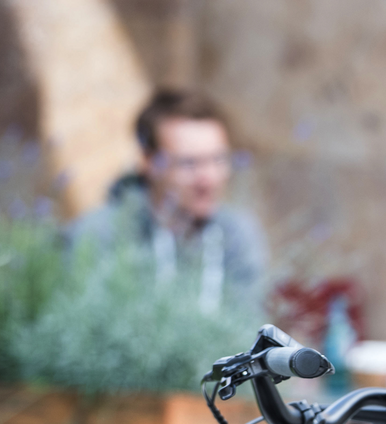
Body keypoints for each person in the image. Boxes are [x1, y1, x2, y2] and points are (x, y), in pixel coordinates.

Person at [71, 88, 267, 312]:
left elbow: (247, 326)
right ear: (148, 162)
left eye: (218, 160)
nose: (208, 178)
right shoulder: (100, 235)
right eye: (189, 163)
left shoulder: (236, 233)